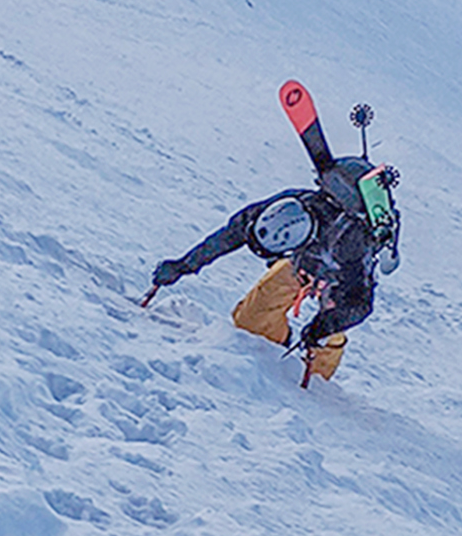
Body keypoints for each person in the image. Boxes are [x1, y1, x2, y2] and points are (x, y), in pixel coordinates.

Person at [149, 157, 400, 386]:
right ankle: (278, 341)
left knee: (319, 367)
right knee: (248, 322)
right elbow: (228, 236)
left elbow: (359, 305)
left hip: (337, 278)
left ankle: (318, 369)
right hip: (302, 262)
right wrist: (184, 265)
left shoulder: (351, 246)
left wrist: (322, 327)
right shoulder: (284, 206)